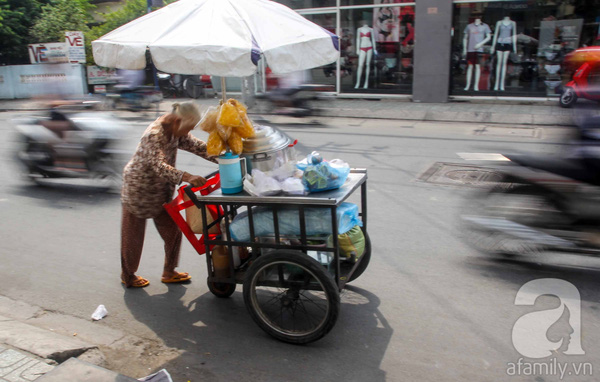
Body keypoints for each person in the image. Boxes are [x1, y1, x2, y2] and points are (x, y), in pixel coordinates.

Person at [120, 102, 217, 288]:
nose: (188, 132)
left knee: (173, 231)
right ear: (178, 121)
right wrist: (187, 176)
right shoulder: (154, 135)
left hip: (161, 189)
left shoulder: (175, 130)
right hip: (138, 188)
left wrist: (226, 156)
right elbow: (158, 166)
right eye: (188, 128)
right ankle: (128, 275)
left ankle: (169, 271)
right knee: (133, 235)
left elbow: (197, 146)